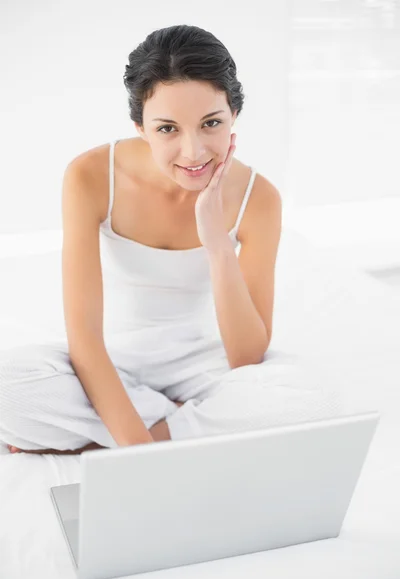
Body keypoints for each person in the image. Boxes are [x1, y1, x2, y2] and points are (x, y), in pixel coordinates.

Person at [0, 25, 342, 455]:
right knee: (7, 387)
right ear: (140, 126)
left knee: (317, 399)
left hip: (203, 367)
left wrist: (218, 244)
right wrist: (141, 454)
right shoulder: (89, 176)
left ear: (234, 114)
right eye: (167, 129)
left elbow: (246, 356)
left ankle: (101, 435)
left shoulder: (260, 198)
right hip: (107, 361)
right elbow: (84, 337)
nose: (193, 151)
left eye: (211, 123)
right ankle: (177, 424)